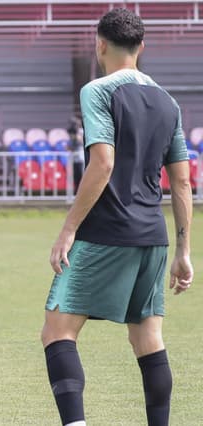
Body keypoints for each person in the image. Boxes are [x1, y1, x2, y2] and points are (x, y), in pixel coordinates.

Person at [41, 8, 193, 426]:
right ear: (141, 48)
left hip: (106, 231)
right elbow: (182, 183)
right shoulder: (168, 102)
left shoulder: (97, 91)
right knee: (148, 339)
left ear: (100, 44)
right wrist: (184, 251)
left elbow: (102, 163)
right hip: (153, 238)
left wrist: (68, 229)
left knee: (58, 331)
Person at [67, 116, 84, 192]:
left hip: (81, 158)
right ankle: (77, 192)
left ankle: (82, 191)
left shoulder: (82, 131)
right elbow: (69, 147)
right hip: (74, 159)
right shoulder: (72, 132)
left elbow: (81, 142)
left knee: (82, 176)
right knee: (76, 177)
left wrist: (77, 135)